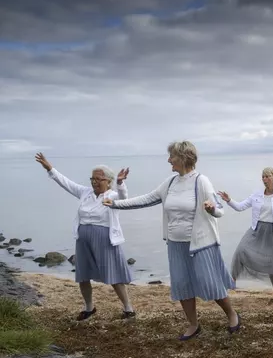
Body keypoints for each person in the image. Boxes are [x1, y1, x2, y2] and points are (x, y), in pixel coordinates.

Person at [103, 141, 240, 340]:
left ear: (184, 157)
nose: (169, 160)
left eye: (172, 156)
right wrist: (116, 204)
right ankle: (193, 325)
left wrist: (211, 209)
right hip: (176, 244)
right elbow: (146, 199)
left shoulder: (201, 181)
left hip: (200, 244)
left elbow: (219, 209)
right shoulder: (170, 183)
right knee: (182, 284)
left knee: (211, 283)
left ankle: (232, 315)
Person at [35, 152, 135, 321]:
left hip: (105, 239)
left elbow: (124, 199)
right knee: (83, 274)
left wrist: (120, 182)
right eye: (92, 179)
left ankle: (128, 309)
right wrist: (50, 168)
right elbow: (66, 183)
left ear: (108, 181)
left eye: (98, 179)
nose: (94, 182)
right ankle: (89, 308)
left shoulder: (113, 195)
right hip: (83, 239)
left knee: (114, 274)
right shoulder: (85, 192)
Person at [217, 167, 273, 302]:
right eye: (263, 177)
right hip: (257, 229)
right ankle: (231, 282)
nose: (264, 179)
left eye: (267, 176)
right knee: (241, 251)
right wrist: (229, 200)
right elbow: (240, 207)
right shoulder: (257, 195)